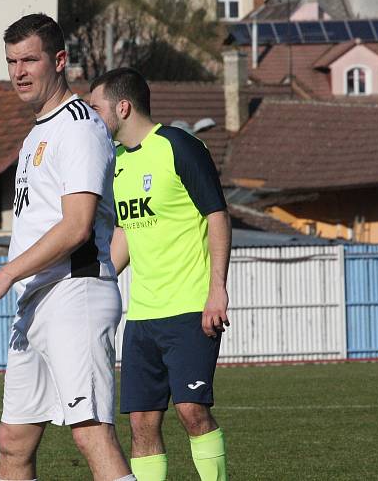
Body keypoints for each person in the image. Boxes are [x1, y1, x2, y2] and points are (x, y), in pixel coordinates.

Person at [0, 14, 136, 481]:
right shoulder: (37, 132)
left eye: (30, 59)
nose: (19, 71)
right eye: (12, 61)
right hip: (37, 301)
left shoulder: (77, 126)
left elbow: (77, 226)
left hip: (74, 294)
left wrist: (5, 274)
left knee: (90, 432)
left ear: (59, 61)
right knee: (13, 441)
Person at [87, 67, 231, 481]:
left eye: (97, 108)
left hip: (190, 308)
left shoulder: (180, 146)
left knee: (191, 412)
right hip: (143, 317)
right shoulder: (118, 164)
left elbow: (217, 216)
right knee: (141, 424)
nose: (93, 117)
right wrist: (95, 283)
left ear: (123, 106)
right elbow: (125, 234)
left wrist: (216, 290)